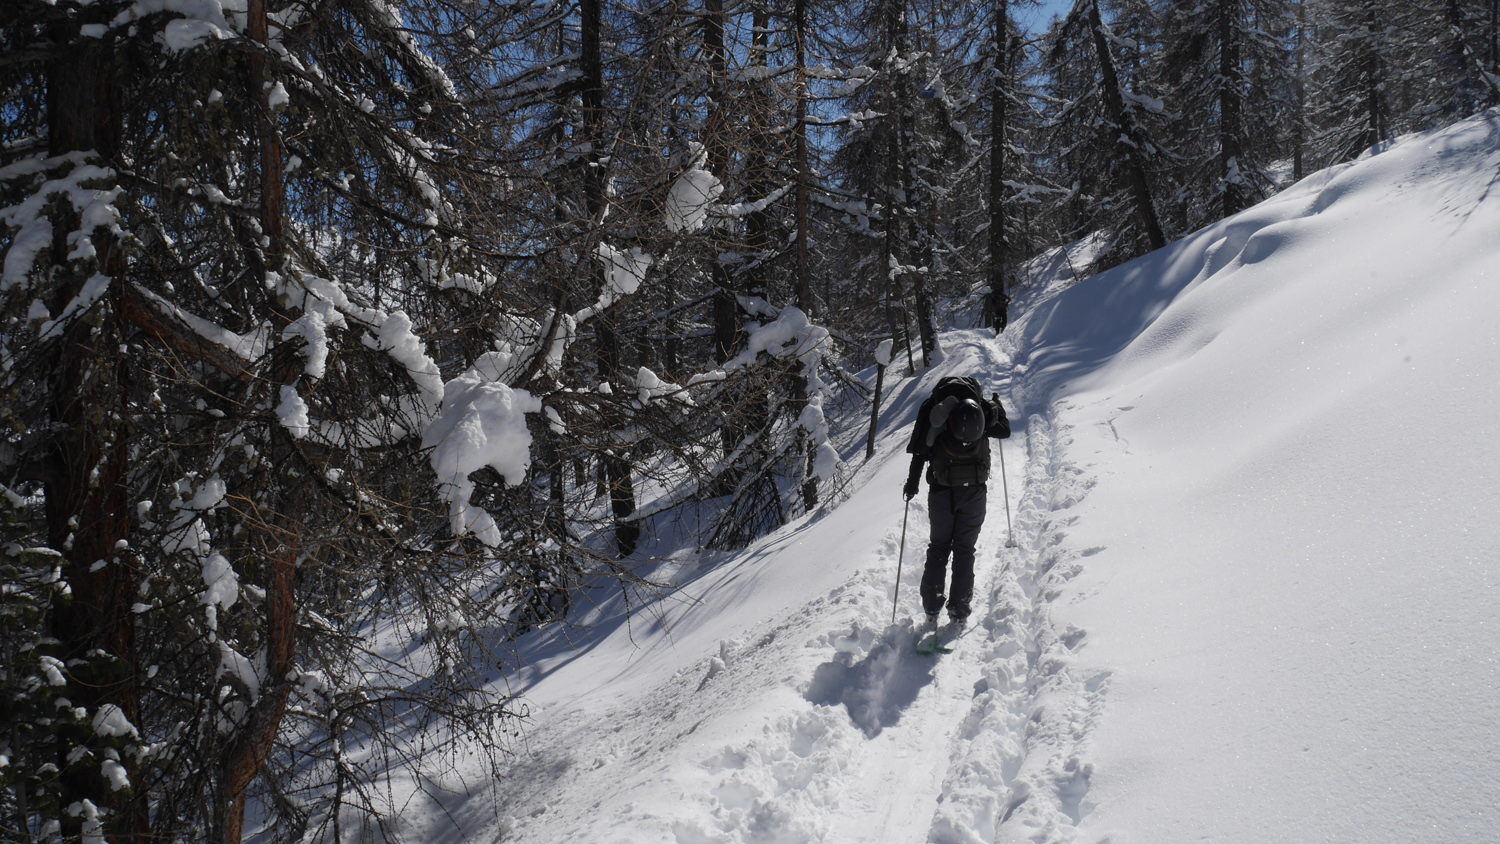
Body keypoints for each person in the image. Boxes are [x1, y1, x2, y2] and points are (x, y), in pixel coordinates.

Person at [903, 376, 1010, 625]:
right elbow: (1005, 431)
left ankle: (931, 607)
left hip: (941, 492)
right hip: (974, 493)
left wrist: (912, 484)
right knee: (964, 550)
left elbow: (919, 451)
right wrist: (998, 407)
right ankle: (959, 609)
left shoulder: (933, 408)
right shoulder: (981, 408)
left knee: (938, 548)